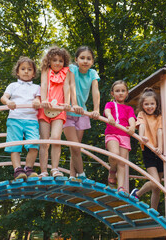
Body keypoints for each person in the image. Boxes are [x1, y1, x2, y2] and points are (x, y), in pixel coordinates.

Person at [0, 56, 41, 180]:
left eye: (29, 69)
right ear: (17, 72)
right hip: (15, 119)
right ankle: (18, 170)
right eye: (23, 69)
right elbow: (3, 97)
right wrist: (8, 101)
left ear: (34, 73)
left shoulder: (36, 87)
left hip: (31, 120)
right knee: (15, 145)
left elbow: (39, 99)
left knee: (34, 144)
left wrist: (37, 100)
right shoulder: (13, 85)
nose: (26, 71)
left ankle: (28, 168)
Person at [63, 46, 101, 180]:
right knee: (75, 146)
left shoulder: (92, 73)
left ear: (92, 61)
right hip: (69, 112)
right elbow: (71, 85)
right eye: (82, 58)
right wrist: (74, 104)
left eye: (89, 58)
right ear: (76, 59)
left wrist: (96, 109)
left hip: (82, 113)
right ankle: (82, 175)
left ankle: (72, 176)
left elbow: (95, 91)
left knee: (76, 148)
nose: (85, 61)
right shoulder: (72, 69)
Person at [38, 46, 73, 178]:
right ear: (49, 61)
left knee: (56, 138)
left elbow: (67, 87)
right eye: (55, 60)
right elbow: (44, 85)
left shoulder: (66, 72)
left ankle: (54, 168)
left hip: (59, 109)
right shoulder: (46, 70)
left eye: (61, 61)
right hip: (45, 108)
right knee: (44, 140)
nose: (58, 63)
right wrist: (44, 100)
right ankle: (43, 170)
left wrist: (67, 103)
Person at [130, 88, 163, 210]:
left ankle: (153, 210)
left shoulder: (159, 116)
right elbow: (142, 126)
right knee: (155, 182)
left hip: (159, 151)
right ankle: (137, 194)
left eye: (152, 104)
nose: (149, 106)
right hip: (148, 149)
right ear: (142, 105)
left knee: (157, 187)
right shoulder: (141, 114)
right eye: (146, 104)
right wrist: (141, 137)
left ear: (156, 104)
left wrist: (160, 147)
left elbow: (160, 131)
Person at [104, 80, 136, 195]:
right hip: (112, 133)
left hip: (124, 136)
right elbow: (106, 111)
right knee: (115, 154)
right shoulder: (110, 104)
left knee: (122, 163)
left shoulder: (129, 109)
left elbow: (132, 119)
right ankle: (112, 170)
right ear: (112, 93)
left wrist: (132, 126)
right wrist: (110, 116)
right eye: (117, 91)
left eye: (123, 91)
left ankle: (121, 187)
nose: (120, 93)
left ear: (127, 93)